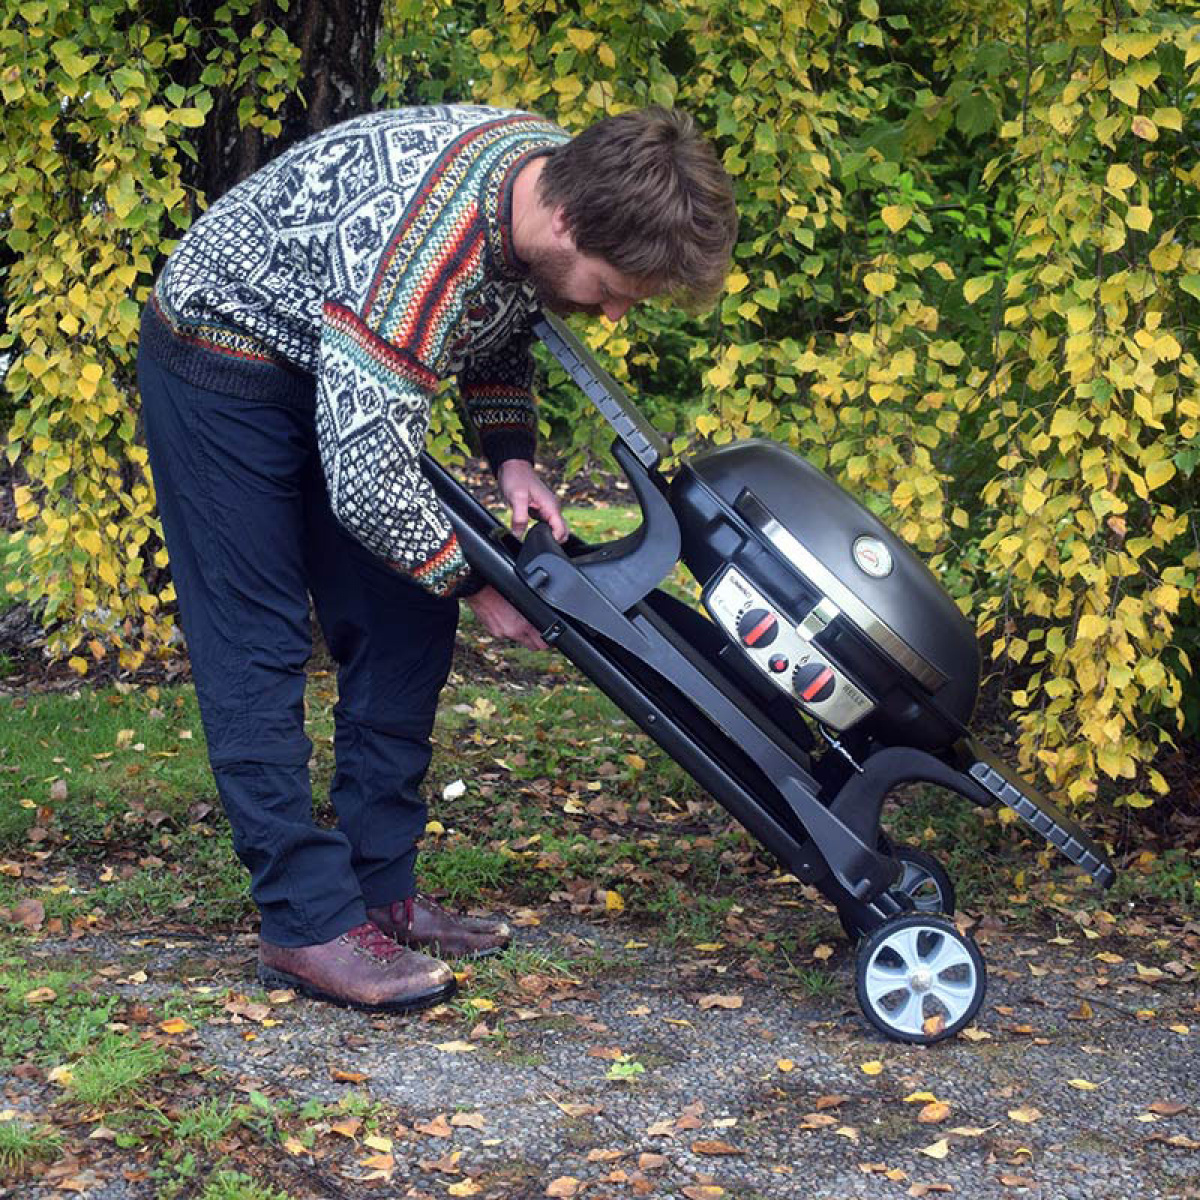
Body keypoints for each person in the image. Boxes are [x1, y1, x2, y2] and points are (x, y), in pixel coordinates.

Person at [136, 103, 737, 1014]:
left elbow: (496, 317)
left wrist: (513, 458)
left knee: (404, 617)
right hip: (223, 353)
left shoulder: (543, 182)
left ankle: (382, 896)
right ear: (566, 223)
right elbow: (371, 486)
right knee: (254, 643)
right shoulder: (419, 252)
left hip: (336, 354)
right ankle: (304, 923)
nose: (613, 313)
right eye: (614, 286)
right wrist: (478, 582)